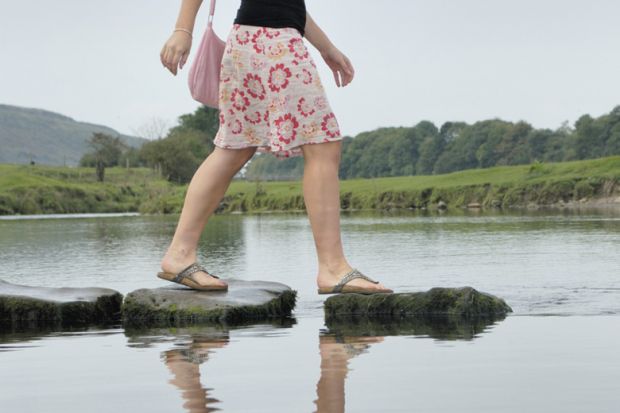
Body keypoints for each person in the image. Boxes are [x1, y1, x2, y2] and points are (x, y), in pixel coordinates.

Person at [158, 0, 392, 294]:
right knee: (321, 143)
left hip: (257, 40)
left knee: (235, 147)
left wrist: (326, 47)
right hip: (271, 42)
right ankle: (332, 268)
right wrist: (182, 30)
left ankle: (179, 254)